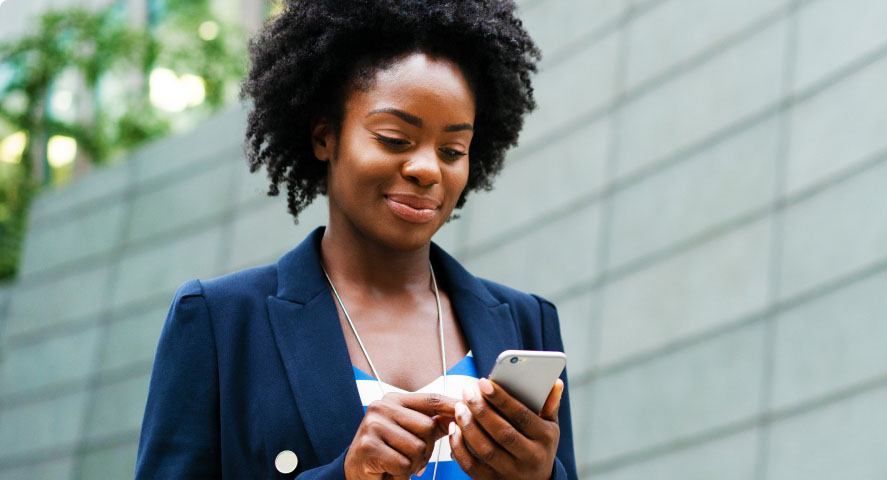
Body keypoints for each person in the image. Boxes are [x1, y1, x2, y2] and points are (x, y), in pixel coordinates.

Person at [135, 0, 576, 478]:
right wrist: (345, 473)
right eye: (393, 138)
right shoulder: (219, 323)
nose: (428, 169)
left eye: (452, 150)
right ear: (326, 137)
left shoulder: (528, 323)